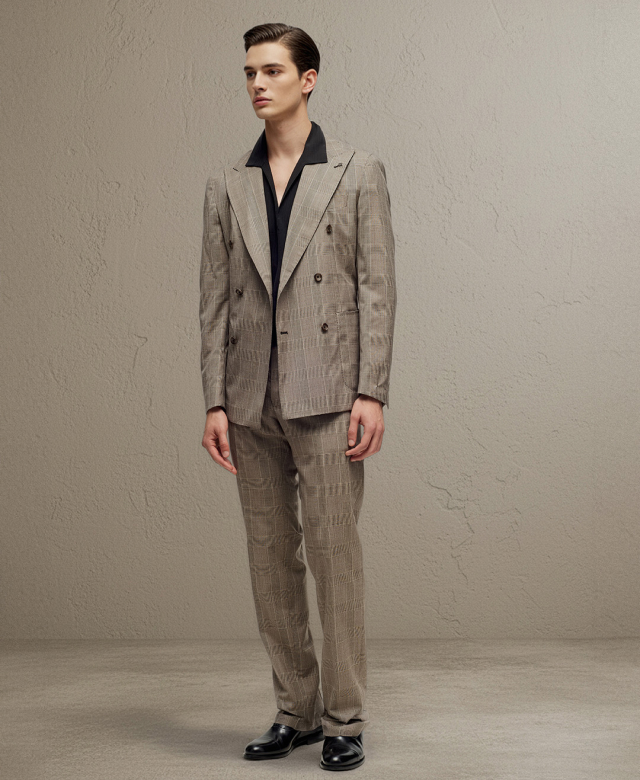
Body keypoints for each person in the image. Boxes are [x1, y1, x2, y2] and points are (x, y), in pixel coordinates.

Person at [199, 22, 396, 771]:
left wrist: (371, 390)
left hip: (330, 393)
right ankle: (295, 711)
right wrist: (215, 401)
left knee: (335, 557)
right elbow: (214, 300)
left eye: (273, 70)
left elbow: (377, 289)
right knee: (268, 557)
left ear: (308, 79)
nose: (257, 84)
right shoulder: (227, 183)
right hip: (251, 397)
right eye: (250, 72)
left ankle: (344, 718)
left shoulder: (356, 171)